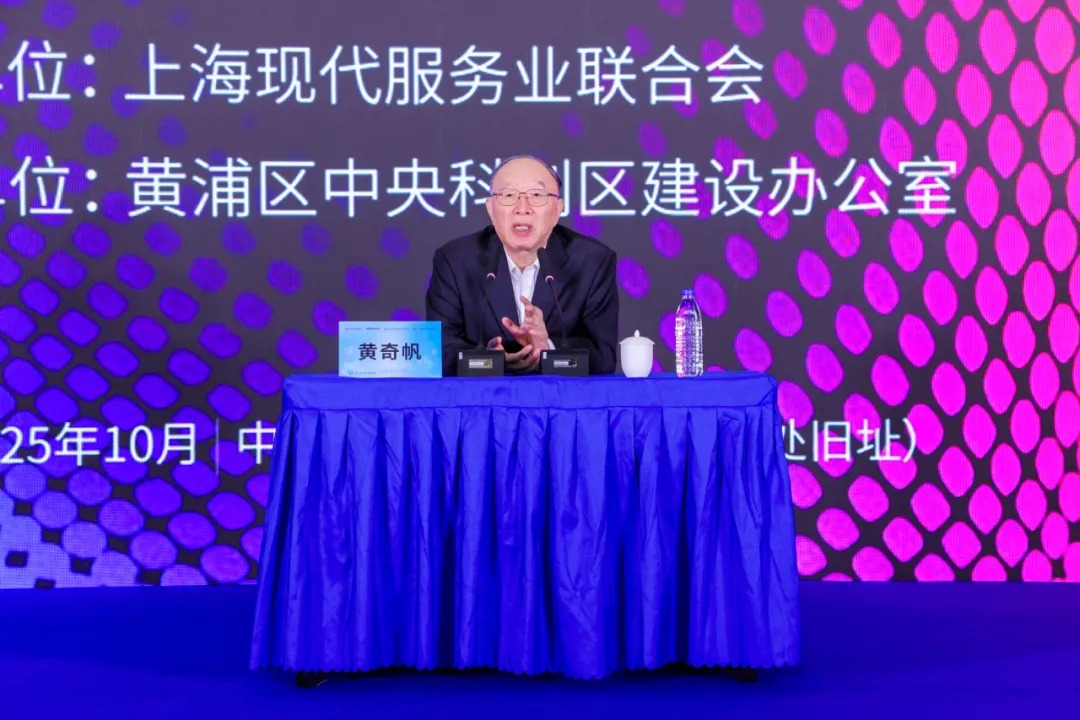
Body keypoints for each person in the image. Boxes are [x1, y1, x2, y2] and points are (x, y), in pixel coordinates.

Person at [426, 155, 619, 375]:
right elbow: (440, 352)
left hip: (560, 395)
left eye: (537, 195)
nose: (522, 208)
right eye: (509, 195)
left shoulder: (592, 261)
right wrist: (491, 360)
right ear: (490, 209)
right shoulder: (455, 260)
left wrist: (548, 348)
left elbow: (604, 357)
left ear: (557, 210)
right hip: (483, 395)